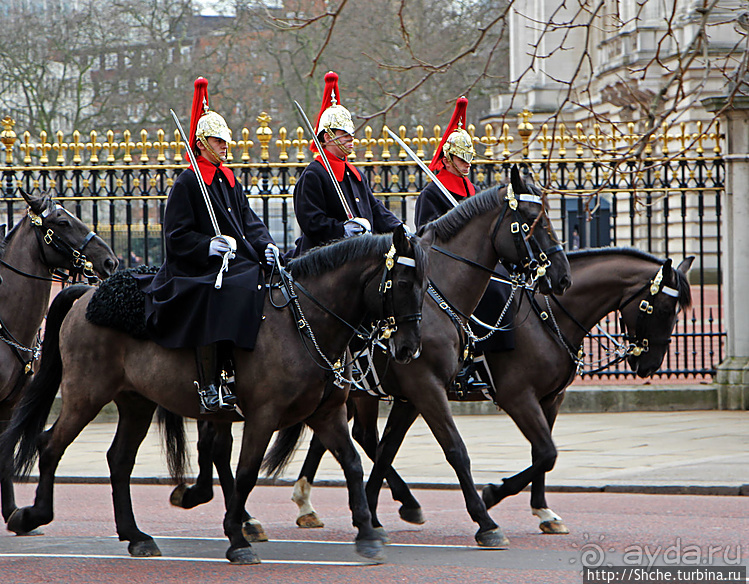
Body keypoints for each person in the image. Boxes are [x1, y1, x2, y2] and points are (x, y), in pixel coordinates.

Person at [139, 77, 279, 413]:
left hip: (236, 262)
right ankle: (212, 382)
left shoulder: (230, 180)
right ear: (201, 143)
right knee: (222, 293)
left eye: (226, 140)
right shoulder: (188, 183)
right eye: (219, 140)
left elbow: (251, 224)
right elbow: (176, 235)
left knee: (262, 282)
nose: (225, 145)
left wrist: (266, 245)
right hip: (195, 268)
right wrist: (207, 246)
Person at [415, 96, 514, 395]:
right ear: (447, 159)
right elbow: (426, 233)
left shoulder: (473, 190)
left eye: (469, 158)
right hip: (448, 267)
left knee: (506, 282)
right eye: (461, 159)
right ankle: (472, 360)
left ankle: (501, 353)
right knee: (492, 289)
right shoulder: (433, 192)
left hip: (477, 261)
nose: (467, 164)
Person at [292, 71, 402, 254]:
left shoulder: (353, 173)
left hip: (358, 253)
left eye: (351, 135)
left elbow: (374, 208)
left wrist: (397, 227)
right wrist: (342, 229)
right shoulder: (315, 174)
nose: (351, 140)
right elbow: (311, 221)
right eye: (345, 135)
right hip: (326, 256)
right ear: (327, 137)